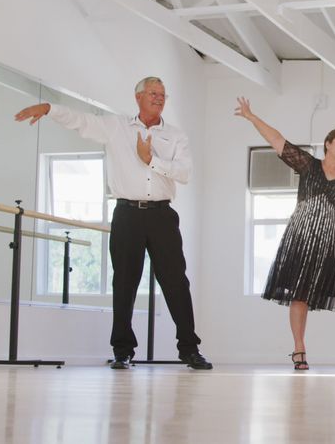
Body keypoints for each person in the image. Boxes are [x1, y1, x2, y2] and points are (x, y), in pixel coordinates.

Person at [14, 77, 212, 370]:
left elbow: (183, 174)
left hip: (162, 215)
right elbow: (80, 121)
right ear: (138, 97)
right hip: (127, 214)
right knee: (124, 283)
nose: (159, 98)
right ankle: (122, 350)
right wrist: (49, 108)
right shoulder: (116, 126)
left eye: (162, 94)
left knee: (176, 283)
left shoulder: (175, 135)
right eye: (152, 93)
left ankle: (189, 349)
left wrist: (151, 160)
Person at [234, 97, 335, 371]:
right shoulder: (308, 165)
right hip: (301, 241)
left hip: (330, 246)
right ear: (328, 144)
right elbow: (278, 140)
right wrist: (251, 116)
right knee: (300, 296)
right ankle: (299, 351)